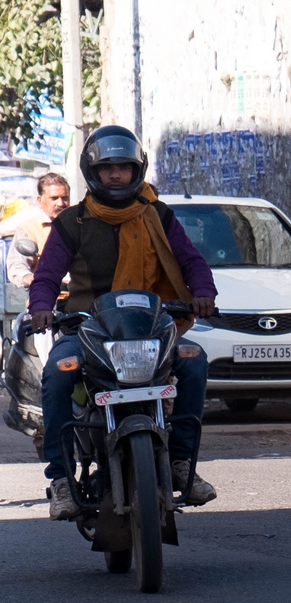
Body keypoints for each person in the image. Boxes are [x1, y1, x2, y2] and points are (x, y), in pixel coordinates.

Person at [28, 126, 218, 519]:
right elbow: (46, 275)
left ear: (138, 170)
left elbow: (192, 261)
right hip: (88, 329)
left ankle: (182, 462)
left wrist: (203, 293)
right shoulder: (72, 223)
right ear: (92, 171)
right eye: (108, 168)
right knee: (58, 373)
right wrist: (42, 307)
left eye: (124, 168)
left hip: (151, 328)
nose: (116, 174)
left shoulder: (158, 215)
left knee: (194, 359)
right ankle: (61, 479)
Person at [3, 172, 71, 288]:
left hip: (81, 293)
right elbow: (17, 265)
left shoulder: (79, 224)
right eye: (54, 198)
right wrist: (28, 277)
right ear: (40, 200)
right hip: (49, 294)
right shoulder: (29, 228)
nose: (60, 203)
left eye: (64, 198)